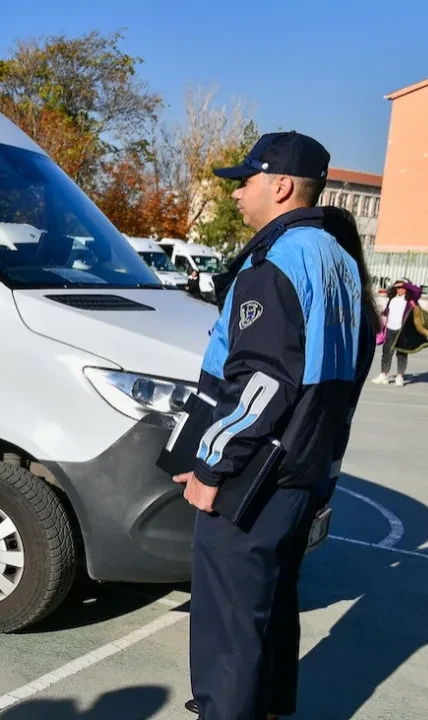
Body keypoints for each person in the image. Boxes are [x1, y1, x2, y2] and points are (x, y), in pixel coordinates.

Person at [172, 132, 377, 720]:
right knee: (270, 603)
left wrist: (214, 462)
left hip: (255, 476)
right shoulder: (340, 260)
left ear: (281, 185)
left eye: (246, 180)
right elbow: (346, 373)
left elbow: (260, 381)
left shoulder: (276, 263)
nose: (237, 193)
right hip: (303, 468)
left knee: (229, 618)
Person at [372, 278, 428, 387]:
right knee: (386, 353)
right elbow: (387, 312)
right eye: (397, 287)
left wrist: (405, 284)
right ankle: (383, 374)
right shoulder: (393, 299)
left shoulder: (410, 300)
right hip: (390, 329)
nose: (399, 289)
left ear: (406, 288)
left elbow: (418, 290)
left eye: (402, 287)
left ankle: (400, 376)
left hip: (402, 331)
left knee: (402, 354)